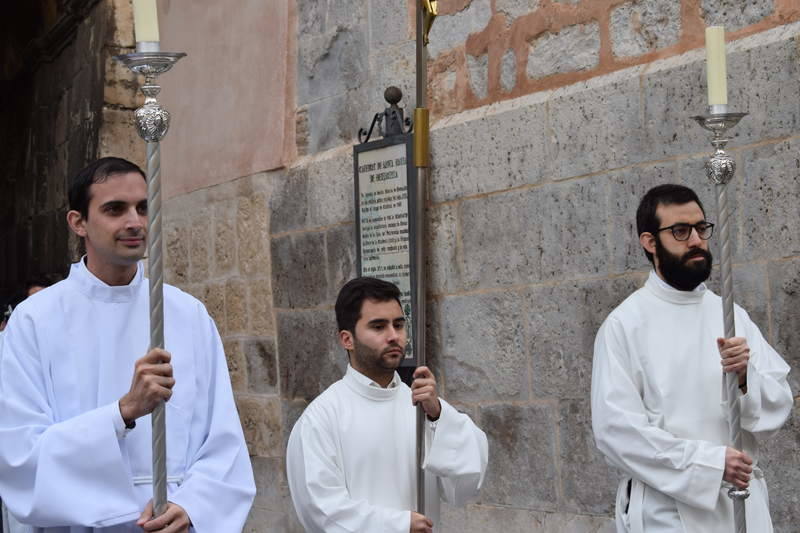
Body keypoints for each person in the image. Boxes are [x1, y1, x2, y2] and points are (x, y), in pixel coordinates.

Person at [0, 157, 255, 532]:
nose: (135, 222)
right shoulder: (35, 319)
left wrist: (193, 504)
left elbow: (224, 439)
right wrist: (122, 412)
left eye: (143, 207)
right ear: (78, 222)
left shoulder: (186, 314)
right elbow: (20, 455)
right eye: (115, 209)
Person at [591, 184, 793, 533]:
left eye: (701, 228)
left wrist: (745, 377)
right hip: (669, 511)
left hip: (742, 504)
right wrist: (710, 464)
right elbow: (617, 431)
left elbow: (778, 407)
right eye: (680, 231)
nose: (697, 240)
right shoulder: (625, 325)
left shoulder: (730, 315)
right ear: (650, 242)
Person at [286, 277, 489, 533]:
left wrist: (438, 416)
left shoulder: (421, 407)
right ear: (347, 339)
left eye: (399, 325)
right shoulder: (322, 417)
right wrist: (399, 525)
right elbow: (321, 509)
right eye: (379, 327)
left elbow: (465, 483)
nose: (394, 336)